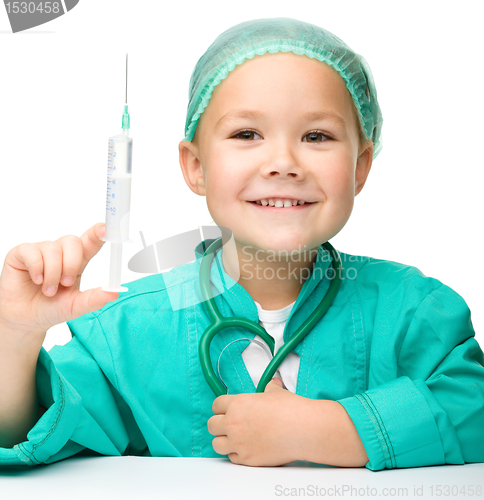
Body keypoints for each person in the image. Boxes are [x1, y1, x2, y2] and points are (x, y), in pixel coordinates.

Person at [0, 17, 483, 471]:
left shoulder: (414, 310)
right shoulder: (127, 331)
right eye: (247, 133)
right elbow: (28, 432)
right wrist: (15, 336)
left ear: (360, 167)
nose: (282, 162)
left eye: (316, 135)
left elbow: (473, 407)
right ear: (195, 166)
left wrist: (329, 430)